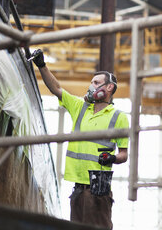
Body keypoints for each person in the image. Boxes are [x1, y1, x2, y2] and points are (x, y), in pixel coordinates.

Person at [32, 49, 129, 229]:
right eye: (91, 82)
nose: (91, 86)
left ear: (109, 88)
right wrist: (42, 66)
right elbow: (57, 89)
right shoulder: (80, 108)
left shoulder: (119, 117)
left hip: (99, 190)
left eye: (96, 82)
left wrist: (112, 158)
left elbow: (124, 154)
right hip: (78, 189)